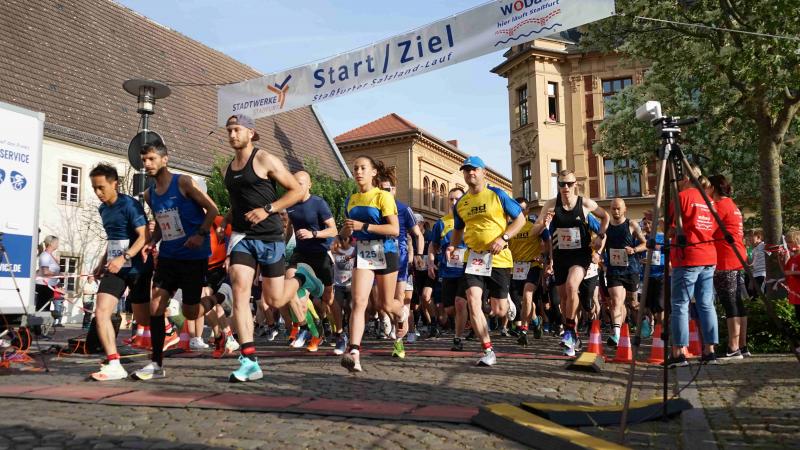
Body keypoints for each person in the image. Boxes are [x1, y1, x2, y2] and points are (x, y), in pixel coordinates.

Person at [221, 114, 322, 382]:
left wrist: (268, 209)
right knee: (240, 291)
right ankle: (249, 360)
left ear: (251, 132)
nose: (232, 135)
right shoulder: (228, 168)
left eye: (237, 129)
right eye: (229, 130)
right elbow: (239, 203)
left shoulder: (265, 159)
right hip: (242, 237)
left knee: (275, 300)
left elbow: (295, 191)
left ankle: (301, 278)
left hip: (269, 236)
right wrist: (227, 221)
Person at [133, 142, 219, 380]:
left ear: (165, 159)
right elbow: (162, 224)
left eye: (151, 159)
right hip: (168, 256)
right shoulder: (150, 194)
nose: (147, 164)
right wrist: (153, 241)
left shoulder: (183, 183)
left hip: (193, 257)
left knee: (190, 313)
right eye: (144, 160)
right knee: (156, 306)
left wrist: (199, 235)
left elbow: (212, 209)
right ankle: (156, 363)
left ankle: (218, 298)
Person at [446, 156, 527, 366]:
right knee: (472, 300)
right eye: (466, 170)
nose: (470, 173)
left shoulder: (497, 194)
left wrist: (504, 238)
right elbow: (458, 229)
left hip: (499, 258)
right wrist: (452, 246)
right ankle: (488, 350)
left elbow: (520, 220)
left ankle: (506, 303)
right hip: (474, 258)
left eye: (474, 169)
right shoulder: (461, 203)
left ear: (484, 172)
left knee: (499, 311)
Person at [88, 163, 152, 381]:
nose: (98, 193)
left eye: (101, 187)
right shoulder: (103, 209)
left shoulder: (130, 205)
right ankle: (114, 363)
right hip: (115, 269)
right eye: (94, 188)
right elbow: (113, 239)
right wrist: (102, 262)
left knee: (143, 318)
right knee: (101, 312)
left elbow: (144, 236)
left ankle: (168, 324)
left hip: (137, 267)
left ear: (114, 184)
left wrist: (123, 257)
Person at [534, 170, 608, 356]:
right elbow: (534, 231)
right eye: (561, 184)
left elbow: (605, 216)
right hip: (560, 257)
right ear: (558, 185)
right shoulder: (551, 204)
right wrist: (543, 223)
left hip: (580, 255)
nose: (565, 187)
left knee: (571, 286)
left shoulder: (585, 204)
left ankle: (568, 331)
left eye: (568, 183)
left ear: (575, 184)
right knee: (564, 298)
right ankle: (573, 335)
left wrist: (600, 237)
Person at [339, 155, 403, 372]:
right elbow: (349, 228)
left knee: (386, 305)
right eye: (355, 168)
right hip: (364, 252)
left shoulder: (383, 196)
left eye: (363, 168)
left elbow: (394, 230)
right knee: (358, 302)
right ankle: (354, 352)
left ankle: (401, 313)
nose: (358, 172)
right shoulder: (351, 199)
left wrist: (364, 226)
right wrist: (342, 236)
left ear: (373, 172)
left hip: (386, 251)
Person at [665, 167, 719, 367]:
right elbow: (713, 227)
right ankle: (709, 351)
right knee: (706, 304)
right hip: (708, 255)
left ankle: (679, 352)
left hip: (688, 256)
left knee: (680, 304)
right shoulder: (709, 200)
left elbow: (670, 229)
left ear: (686, 177)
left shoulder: (682, 197)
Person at [285, 171, 338, 352]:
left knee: (327, 300)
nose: (297, 186)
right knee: (290, 288)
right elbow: (289, 227)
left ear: (309, 185)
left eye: (301, 183)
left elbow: (333, 230)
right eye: (294, 183)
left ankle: (332, 328)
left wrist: (313, 234)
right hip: (300, 255)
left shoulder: (318, 203)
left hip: (320, 255)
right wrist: (284, 246)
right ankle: (306, 328)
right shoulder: (290, 204)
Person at [378, 175, 424, 358]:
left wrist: (418, 255)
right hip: (377, 258)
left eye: (387, 189)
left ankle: (398, 342)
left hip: (400, 259)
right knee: (382, 303)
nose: (384, 192)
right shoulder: (374, 209)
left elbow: (417, 234)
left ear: (394, 190)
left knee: (397, 298)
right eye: (380, 189)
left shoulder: (404, 209)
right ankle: (399, 317)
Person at [708, 175, 750, 359]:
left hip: (725, 258)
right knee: (737, 301)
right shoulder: (733, 205)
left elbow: (708, 228)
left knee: (729, 302)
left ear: (713, 188)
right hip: (737, 256)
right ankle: (742, 345)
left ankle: (733, 347)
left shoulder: (719, 206)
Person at [603, 198, 647, 347]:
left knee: (633, 303)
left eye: (618, 209)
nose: (615, 211)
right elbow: (600, 242)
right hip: (613, 269)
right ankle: (616, 334)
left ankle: (644, 320)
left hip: (631, 269)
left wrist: (634, 249)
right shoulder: (606, 225)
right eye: (613, 209)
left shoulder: (631, 224)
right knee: (616, 301)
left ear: (624, 209)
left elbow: (645, 244)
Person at [429, 187, 468, 351]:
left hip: (467, 269)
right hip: (447, 271)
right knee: (449, 309)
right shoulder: (441, 223)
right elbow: (433, 245)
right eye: (451, 199)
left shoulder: (470, 220)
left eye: (457, 199)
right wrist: (431, 262)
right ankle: (466, 319)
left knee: (460, 303)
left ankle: (458, 338)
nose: (454, 202)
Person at [508, 197, 549, 346]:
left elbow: (548, 241)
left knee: (527, 295)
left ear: (527, 211)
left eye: (522, 209)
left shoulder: (534, 225)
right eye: (516, 208)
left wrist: (545, 257)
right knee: (524, 301)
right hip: (516, 268)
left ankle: (524, 331)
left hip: (533, 266)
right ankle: (536, 321)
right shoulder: (509, 228)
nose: (518, 211)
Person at [331, 234, 355, 355]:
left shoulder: (353, 250)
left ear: (348, 240)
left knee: (350, 308)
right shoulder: (334, 250)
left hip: (351, 285)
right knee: (337, 307)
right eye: (339, 240)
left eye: (344, 239)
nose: (341, 243)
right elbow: (330, 249)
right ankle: (339, 333)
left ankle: (351, 333)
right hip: (338, 285)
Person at [782, 230, 800, 355]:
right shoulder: (792, 258)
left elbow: (791, 272)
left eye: (791, 242)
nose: (788, 245)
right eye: (787, 242)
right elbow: (785, 271)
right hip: (795, 295)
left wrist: (793, 273)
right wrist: (781, 259)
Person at [35, 235, 60, 316]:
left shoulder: (50, 255)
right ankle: (37, 323)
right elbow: (45, 271)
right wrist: (59, 274)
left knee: (45, 310)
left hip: (49, 286)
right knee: (42, 310)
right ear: (50, 243)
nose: (58, 244)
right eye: (56, 243)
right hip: (43, 286)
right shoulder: (45, 255)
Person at [748, 229, 766, 296]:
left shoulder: (764, 246)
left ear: (758, 237)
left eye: (751, 236)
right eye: (749, 236)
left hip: (762, 274)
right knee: (755, 295)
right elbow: (753, 263)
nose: (749, 238)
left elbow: (770, 256)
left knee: (761, 295)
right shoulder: (754, 250)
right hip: (755, 275)